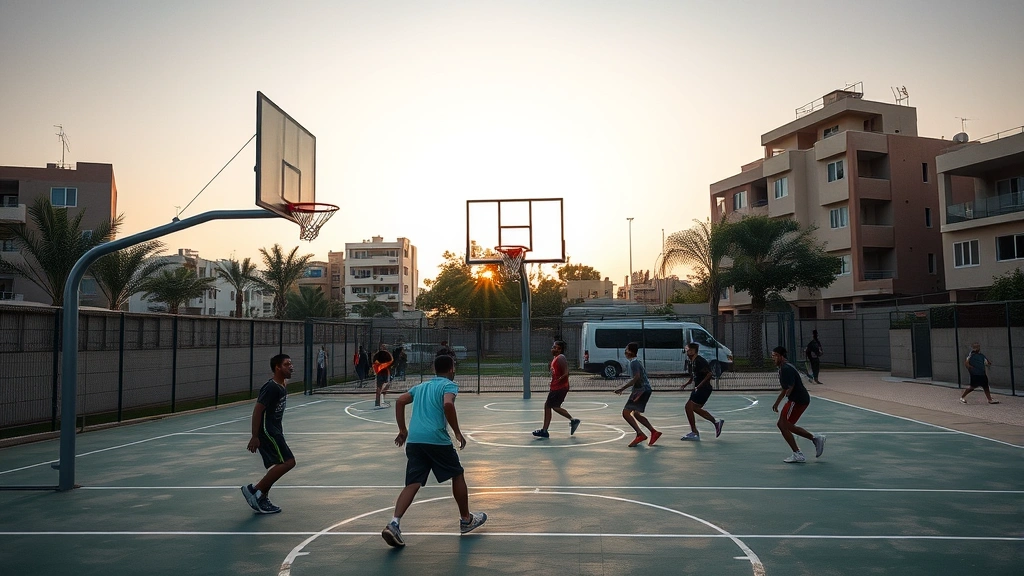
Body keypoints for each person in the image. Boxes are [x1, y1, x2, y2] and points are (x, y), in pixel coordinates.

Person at [381, 353, 487, 547]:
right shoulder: (448, 385)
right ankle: (466, 519)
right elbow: (448, 403)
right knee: (457, 474)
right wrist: (457, 432)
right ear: (451, 369)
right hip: (436, 439)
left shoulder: (420, 387)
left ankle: (394, 523)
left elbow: (399, 401)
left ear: (434, 370)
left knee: (412, 483)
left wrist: (403, 430)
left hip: (415, 440)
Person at [241, 353, 296, 514]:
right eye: (287, 364)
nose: (291, 366)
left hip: (275, 430)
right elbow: (258, 410)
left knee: (279, 464)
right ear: (277, 367)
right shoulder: (271, 387)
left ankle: (261, 496)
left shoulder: (282, 385)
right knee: (289, 462)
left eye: (291, 364)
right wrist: (255, 436)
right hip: (268, 431)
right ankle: (255, 490)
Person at [771, 346, 826, 463]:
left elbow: (789, 387)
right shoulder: (782, 368)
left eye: (775, 355)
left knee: (784, 425)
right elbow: (785, 388)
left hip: (798, 400)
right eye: (772, 355)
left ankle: (800, 451)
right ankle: (814, 440)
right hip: (797, 400)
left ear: (781, 356)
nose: (773, 358)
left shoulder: (786, 368)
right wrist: (777, 403)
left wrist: (787, 399)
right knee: (784, 425)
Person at [613, 342, 661, 447]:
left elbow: (637, 377)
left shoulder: (634, 363)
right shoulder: (635, 362)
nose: (625, 351)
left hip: (641, 390)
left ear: (630, 351)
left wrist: (622, 388)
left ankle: (640, 434)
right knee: (636, 414)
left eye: (626, 349)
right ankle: (653, 432)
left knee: (626, 413)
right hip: (644, 389)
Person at [533, 340, 581, 438]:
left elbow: (566, 372)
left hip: (560, 387)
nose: (553, 349)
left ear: (560, 349)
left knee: (553, 406)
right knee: (549, 405)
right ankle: (545, 430)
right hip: (556, 387)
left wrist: (560, 379)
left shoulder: (561, 357)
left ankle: (572, 420)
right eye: (553, 347)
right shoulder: (555, 359)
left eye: (556, 347)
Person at [679, 342, 724, 441]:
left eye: (690, 350)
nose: (688, 352)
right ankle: (716, 422)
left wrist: (699, 386)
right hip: (699, 388)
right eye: (687, 350)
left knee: (688, 407)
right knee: (694, 408)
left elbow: (709, 374)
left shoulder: (700, 361)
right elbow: (694, 374)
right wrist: (687, 383)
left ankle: (694, 432)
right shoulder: (692, 361)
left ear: (695, 351)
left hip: (704, 388)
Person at [373, 343, 394, 407]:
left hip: (380, 372)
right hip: (385, 372)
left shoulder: (377, 354)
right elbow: (391, 361)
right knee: (387, 384)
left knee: (379, 387)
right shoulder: (387, 354)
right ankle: (381, 399)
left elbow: (374, 362)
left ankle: (378, 401)